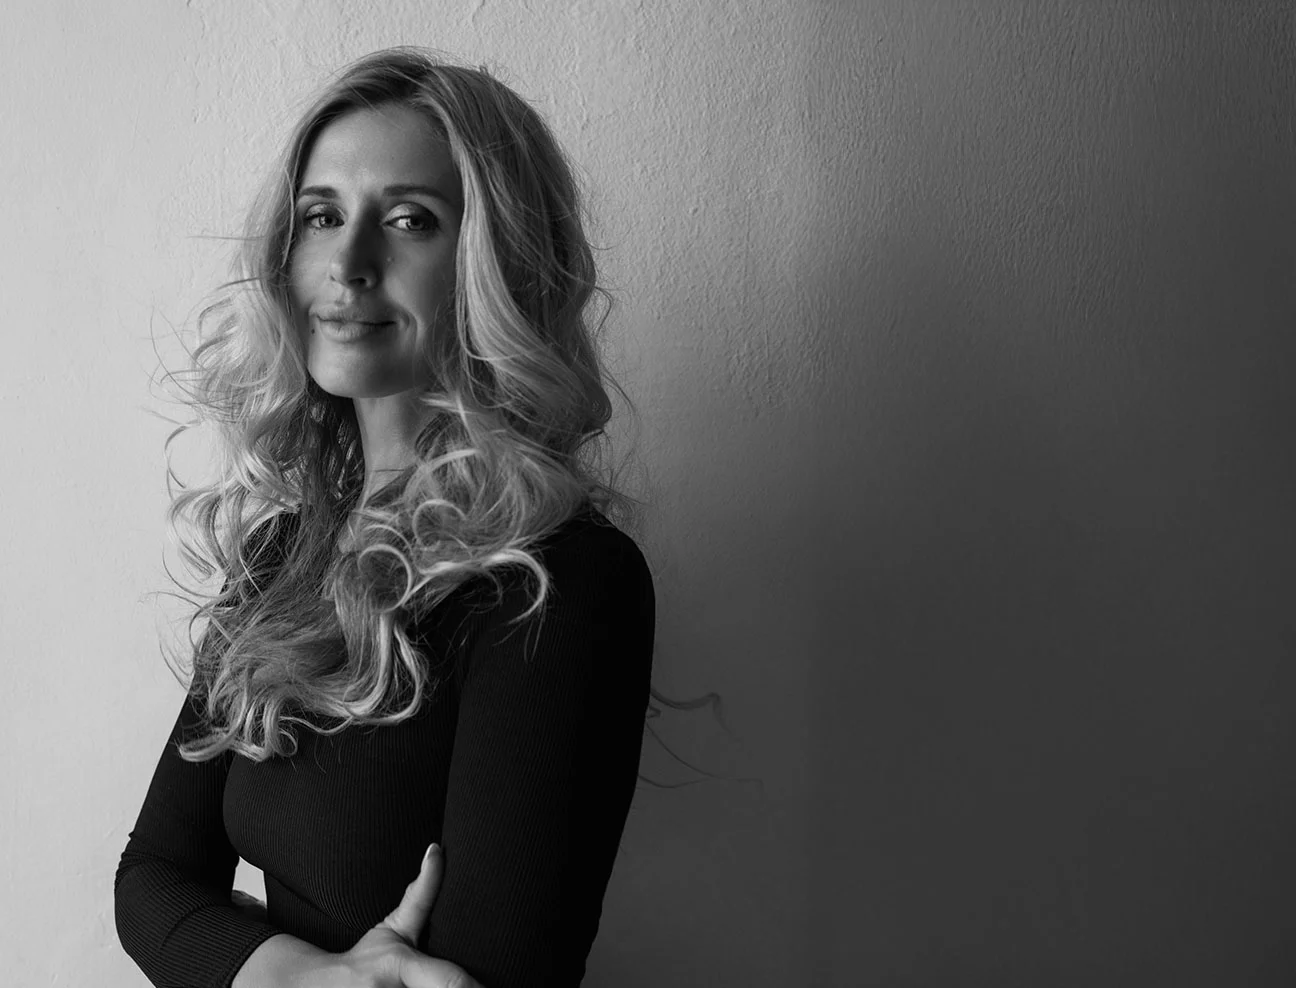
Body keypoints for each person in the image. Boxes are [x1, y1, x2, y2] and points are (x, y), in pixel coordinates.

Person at [114, 46, 657, 988]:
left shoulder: (561, 583)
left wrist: (234, 948)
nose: (349, 263)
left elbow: (486, 973)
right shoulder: (286, 551)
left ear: (498, 261)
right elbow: (150, 880)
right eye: (322, 216)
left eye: (410, 220)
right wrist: (297, 975)